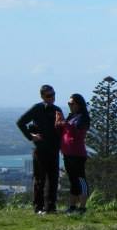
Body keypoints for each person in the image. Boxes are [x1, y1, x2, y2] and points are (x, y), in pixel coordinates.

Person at [16, 84, 63, 214]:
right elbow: (20, 122)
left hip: (53, 149)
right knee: (40, 179)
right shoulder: (37, 108)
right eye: (49, 95)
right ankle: (38, 207)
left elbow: (61, 130)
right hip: (41, 149)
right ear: (42, 96)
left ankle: (51, 207)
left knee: (53, 179)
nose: (52, 98)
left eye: (53, 95)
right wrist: (31, 136)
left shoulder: (57, 110)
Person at [56, 93, 90, 215]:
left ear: (78, 104)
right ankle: (72, 206)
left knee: (81, 179)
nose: (70, 105)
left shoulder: (83, 117)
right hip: (67, 153)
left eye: (72, 103)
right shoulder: (71, 117)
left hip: (77, 154)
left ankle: (82, 207)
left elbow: (76, 129)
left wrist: (63, 123)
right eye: (69, 103)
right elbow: (64, 131)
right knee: (73, 180)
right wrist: (59, 123)